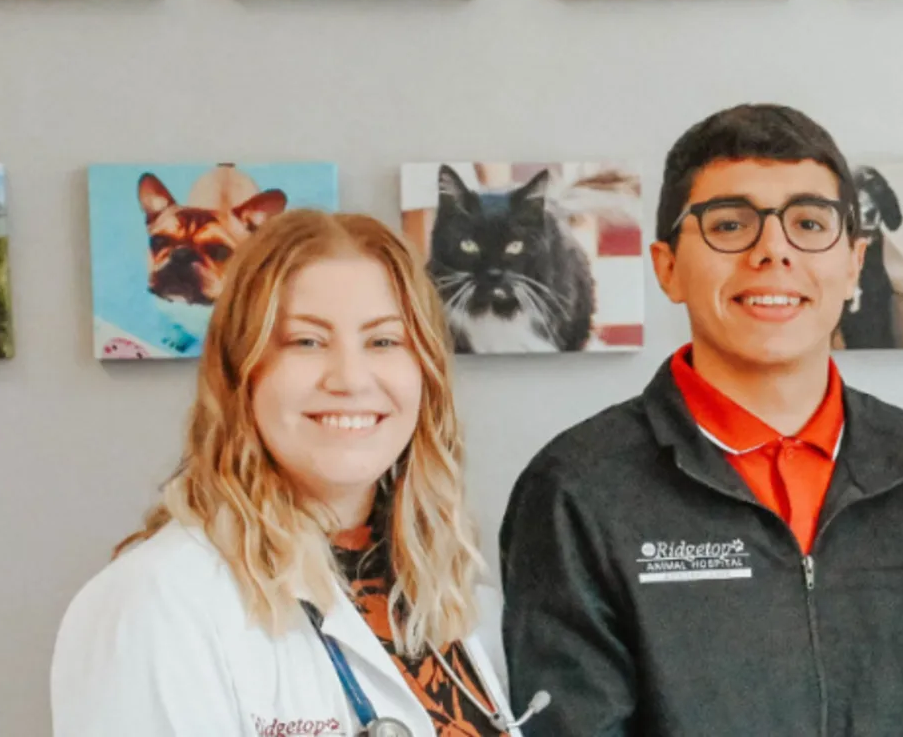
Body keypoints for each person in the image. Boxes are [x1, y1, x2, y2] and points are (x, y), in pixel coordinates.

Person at [499, 103, 903, 735]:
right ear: (667, 268)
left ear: (853, 262)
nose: (773, 251)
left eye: (808, 222)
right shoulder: (576, 490)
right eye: (731, 223)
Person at [50, 211, 540, 736]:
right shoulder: (155, 604)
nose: (350, 379)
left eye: (383, 342)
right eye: (307, 342)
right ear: (243, 371)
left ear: (425, 373)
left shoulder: (456, 596)